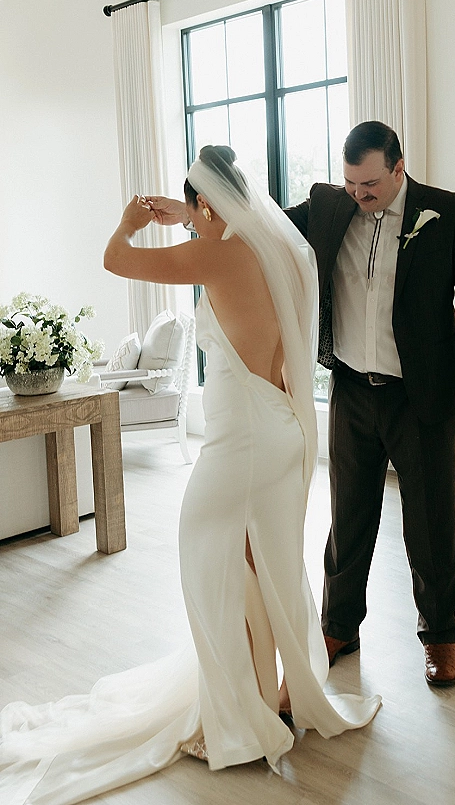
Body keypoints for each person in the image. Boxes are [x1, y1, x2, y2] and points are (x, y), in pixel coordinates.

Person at [0, 146, 380, 803]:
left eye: (193, 212)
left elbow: (115, 260)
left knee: (207, 562)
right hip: (281, 429)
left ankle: (239, 720)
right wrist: (190, 213)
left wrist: (128, 223)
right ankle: (281, 695)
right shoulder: (276, 247)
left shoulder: (217, 254)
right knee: (266, 568)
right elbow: (225, 239)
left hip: (240, 444)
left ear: (208, 205)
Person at [284, 122, 455, 687]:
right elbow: (269, 231)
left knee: (429, 522)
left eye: (371, 184)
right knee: (348, 518)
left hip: (421, 395)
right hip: (352, 390)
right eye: (352, 183)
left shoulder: (446, 213)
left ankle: (440, 637)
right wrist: (201, 214)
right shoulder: (331, 207)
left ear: (398, 167)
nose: (360, 194)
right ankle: (339, 626)